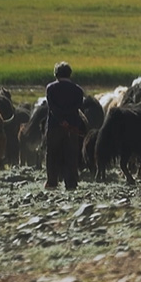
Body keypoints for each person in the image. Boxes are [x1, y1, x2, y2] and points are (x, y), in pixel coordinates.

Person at [44, 62, 87, 190]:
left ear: (56, 74)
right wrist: (68, 120)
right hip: (72, 127)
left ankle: (52, 181)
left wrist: (61, 120)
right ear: (70, 74)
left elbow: (52, 107)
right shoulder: (78, 90)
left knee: (52, 153)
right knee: (71, 154)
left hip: (54, 126)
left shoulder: (50, 88)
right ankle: (71, 182)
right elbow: (77, 107)